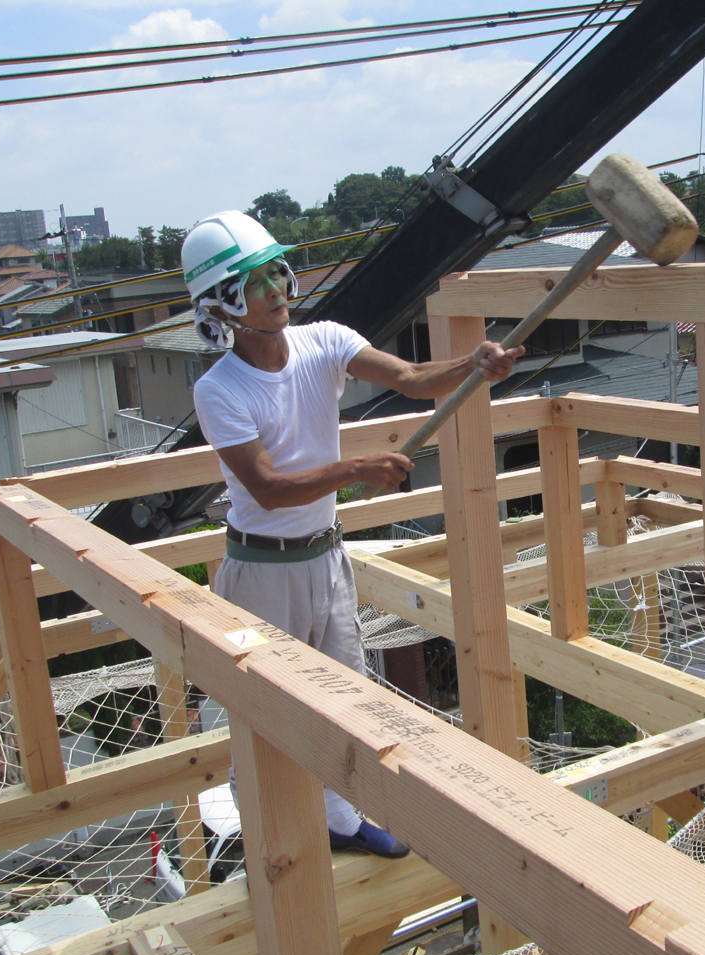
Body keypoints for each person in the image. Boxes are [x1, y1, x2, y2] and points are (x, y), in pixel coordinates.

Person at [183, 211, 520, 858]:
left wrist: (473, 366)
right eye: (255, 282)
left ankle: (340, 823)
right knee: (266, 709)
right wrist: (357, 469)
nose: (277, 289)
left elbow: (413, 380)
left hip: (322, 555)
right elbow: (268, 488)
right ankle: (261, 830)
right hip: (262, 570)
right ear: (223, 305)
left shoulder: (325, 340)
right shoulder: (219, 389)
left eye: (276, 273)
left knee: (345, 696)